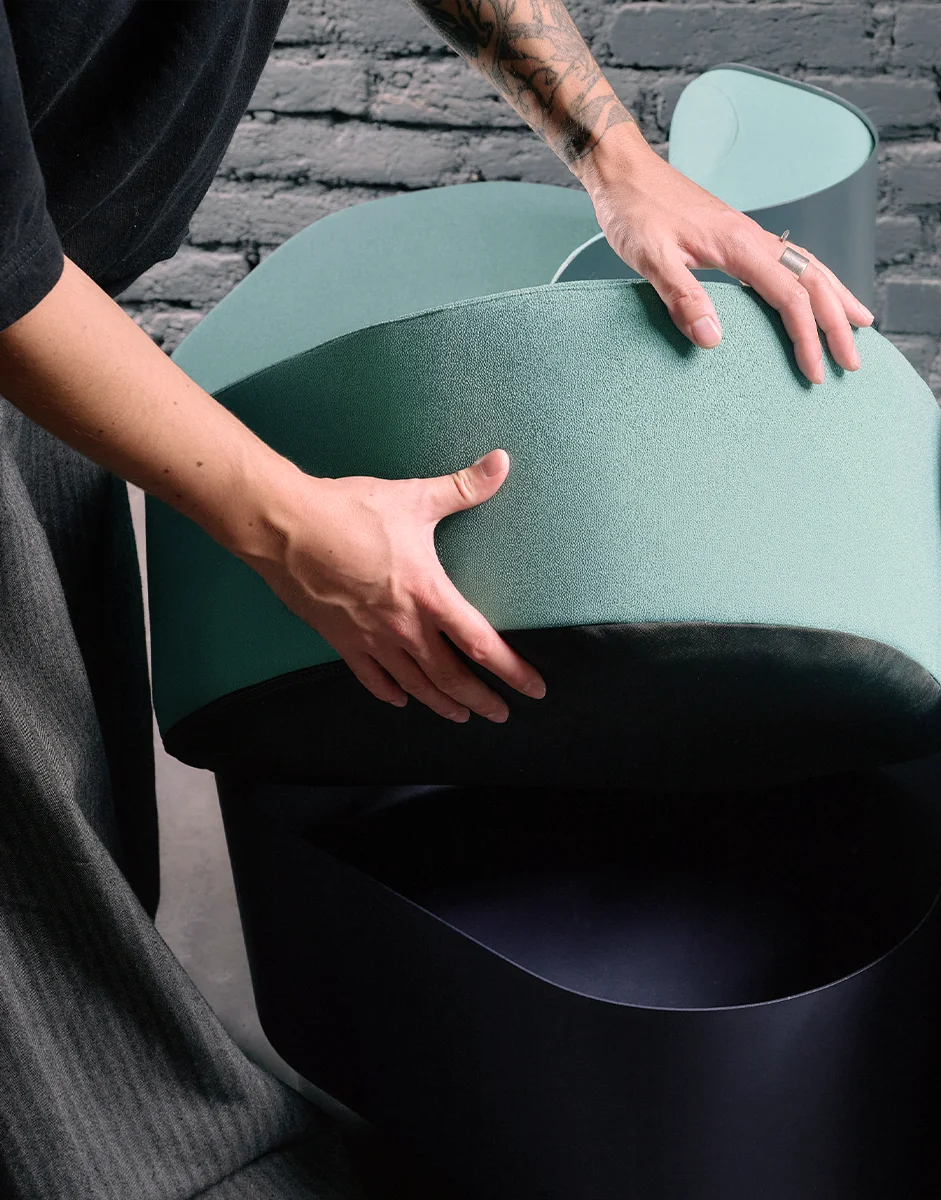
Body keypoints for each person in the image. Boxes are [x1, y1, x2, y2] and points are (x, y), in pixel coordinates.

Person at [0, 1, 875, 1195]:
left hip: (59, 285)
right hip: (21, 299)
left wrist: (618, 160)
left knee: (83, 838)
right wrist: (290, 528)